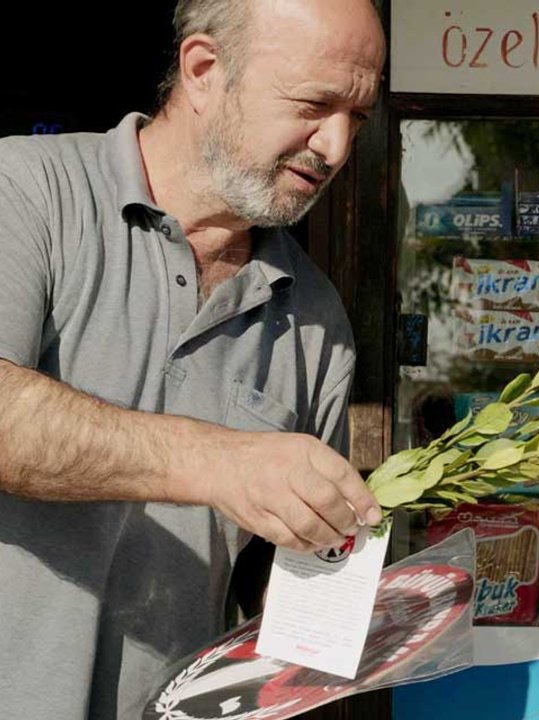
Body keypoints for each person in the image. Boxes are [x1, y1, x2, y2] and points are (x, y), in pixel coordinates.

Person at [0, 0, 386, 717]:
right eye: (314, 105)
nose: (334, 146)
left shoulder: (316, 317)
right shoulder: (25, 191)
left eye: (355, 119)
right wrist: (221, 462)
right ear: (204, 71)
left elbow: (283, 587)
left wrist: (352, 613)